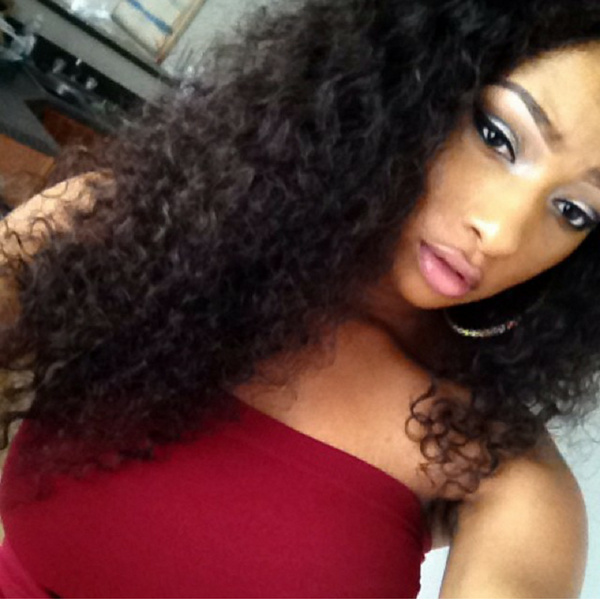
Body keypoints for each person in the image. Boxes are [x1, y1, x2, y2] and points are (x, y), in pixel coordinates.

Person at [0, 0, 598, 596]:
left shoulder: (502, 474)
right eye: (497, 137)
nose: (502, 233)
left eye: (574, 211)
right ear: (408, 83)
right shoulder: (121, 230)